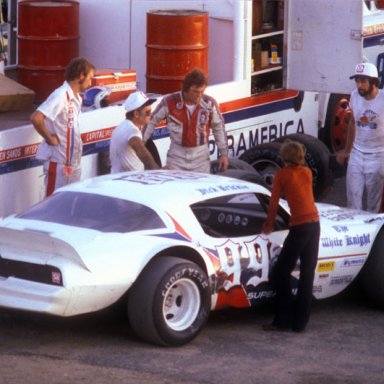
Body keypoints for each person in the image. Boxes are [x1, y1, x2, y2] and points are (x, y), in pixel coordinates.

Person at [262, 140, 320, 332]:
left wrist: (269, 224)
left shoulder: (282, 175)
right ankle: (300, 322)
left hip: (300, 226)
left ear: (284, 157)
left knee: (280, 273)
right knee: (307, 274)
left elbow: (273, 203)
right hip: (314, 224)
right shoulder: (307, 172)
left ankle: (282, 320)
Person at [31, 57, 96, 196]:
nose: (91, 83)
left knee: (68, 210)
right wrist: (49, 139)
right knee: (52, 210)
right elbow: (36, 118)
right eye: (90, 78)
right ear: (80, 76)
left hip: (72, 165)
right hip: (59, 165)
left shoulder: (76, 97)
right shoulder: (60, 95)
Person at [143, 68, 229, 173]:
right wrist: (141, 143)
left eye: (202, 91)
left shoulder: (209, 103)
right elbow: (150, 122)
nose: (199, 95)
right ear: (185, 89)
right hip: (177, 156)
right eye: (195, 91)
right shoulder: (169, 102)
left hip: (201, 157)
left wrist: (224, 154)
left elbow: (218, 128)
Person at [336, 62, 384, 212]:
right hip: (356, 154)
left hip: (378, 157)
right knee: (352, 202)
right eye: (357, 81)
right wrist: (346, 151)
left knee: (373, 205)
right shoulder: (354, 95)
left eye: (363, 81)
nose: (359, 85)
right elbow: (352, 123)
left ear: (374, 82)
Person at [109, 91, 161, 173]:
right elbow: (140, 150)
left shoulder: (122, 126)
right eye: (147, 112)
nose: (150, 115)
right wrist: (158, 171)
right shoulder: (132, 130)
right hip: (128, 181)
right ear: (136, 114)